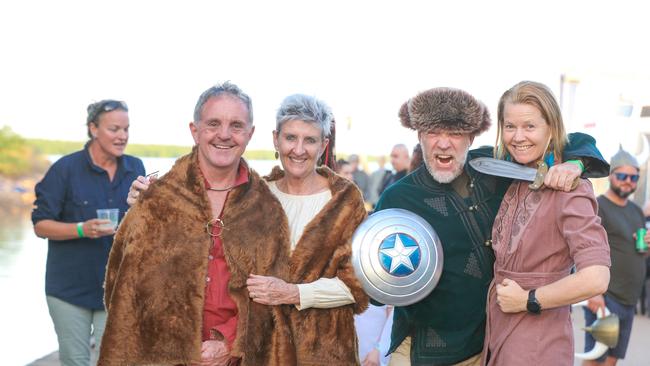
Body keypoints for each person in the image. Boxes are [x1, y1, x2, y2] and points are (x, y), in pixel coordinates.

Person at [374, 86, 609, 366]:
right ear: (419, 136)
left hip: (492, 345)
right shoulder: (398, 197)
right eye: (433, 132)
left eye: (456, 133)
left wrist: (575, 163)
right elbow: (375, 282)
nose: (444, 143)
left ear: (472, 137)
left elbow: (572, 141)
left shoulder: (493, 168)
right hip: (425, 350)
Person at [99, 82, 291, 366]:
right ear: (195, 130)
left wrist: (228, 343)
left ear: (250, 134)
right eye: (213, 123)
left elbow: (272, 298)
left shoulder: (267, 209)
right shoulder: (159, 198)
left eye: (236, 125)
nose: (224, 135)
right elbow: (119, 285)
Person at [483, 81, 611, 365]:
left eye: (530, 126)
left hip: (538, 344)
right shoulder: (514, 176)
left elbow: (596, 277)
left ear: (551, 129)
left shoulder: (571, 188)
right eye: (509, 126)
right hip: (497, 337)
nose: (518, 137)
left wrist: (529, 299)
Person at [246, 94, 369, 365]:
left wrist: (292, 293)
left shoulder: (345, 200)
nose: (298, 149)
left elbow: (357, 286)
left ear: (323, 144)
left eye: (310, 140)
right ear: (275, 139)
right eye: (291, 138)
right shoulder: (255, 196)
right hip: (264, 351)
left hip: (327, 350)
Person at [32, 99, 145, 366]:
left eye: (126, 129)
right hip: (69, 291)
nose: (123, 136)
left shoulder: (136, 168)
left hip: (117, 288)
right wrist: (81, 229)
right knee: (75, 361)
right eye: (114, 129)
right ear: (93, 128)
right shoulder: (65, 169)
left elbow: (147, 221)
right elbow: (40, 225)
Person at [583, 147, 649, 366]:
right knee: (596, 359)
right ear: (611, 176)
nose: (627, 181)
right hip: (606, 297)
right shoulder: (599, 206)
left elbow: (640, 252)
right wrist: (594, 293)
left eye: (633, 177)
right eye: (622, 176)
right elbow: (585, 249)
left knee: (611, 360)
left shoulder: (636, 211)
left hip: (628, 301)